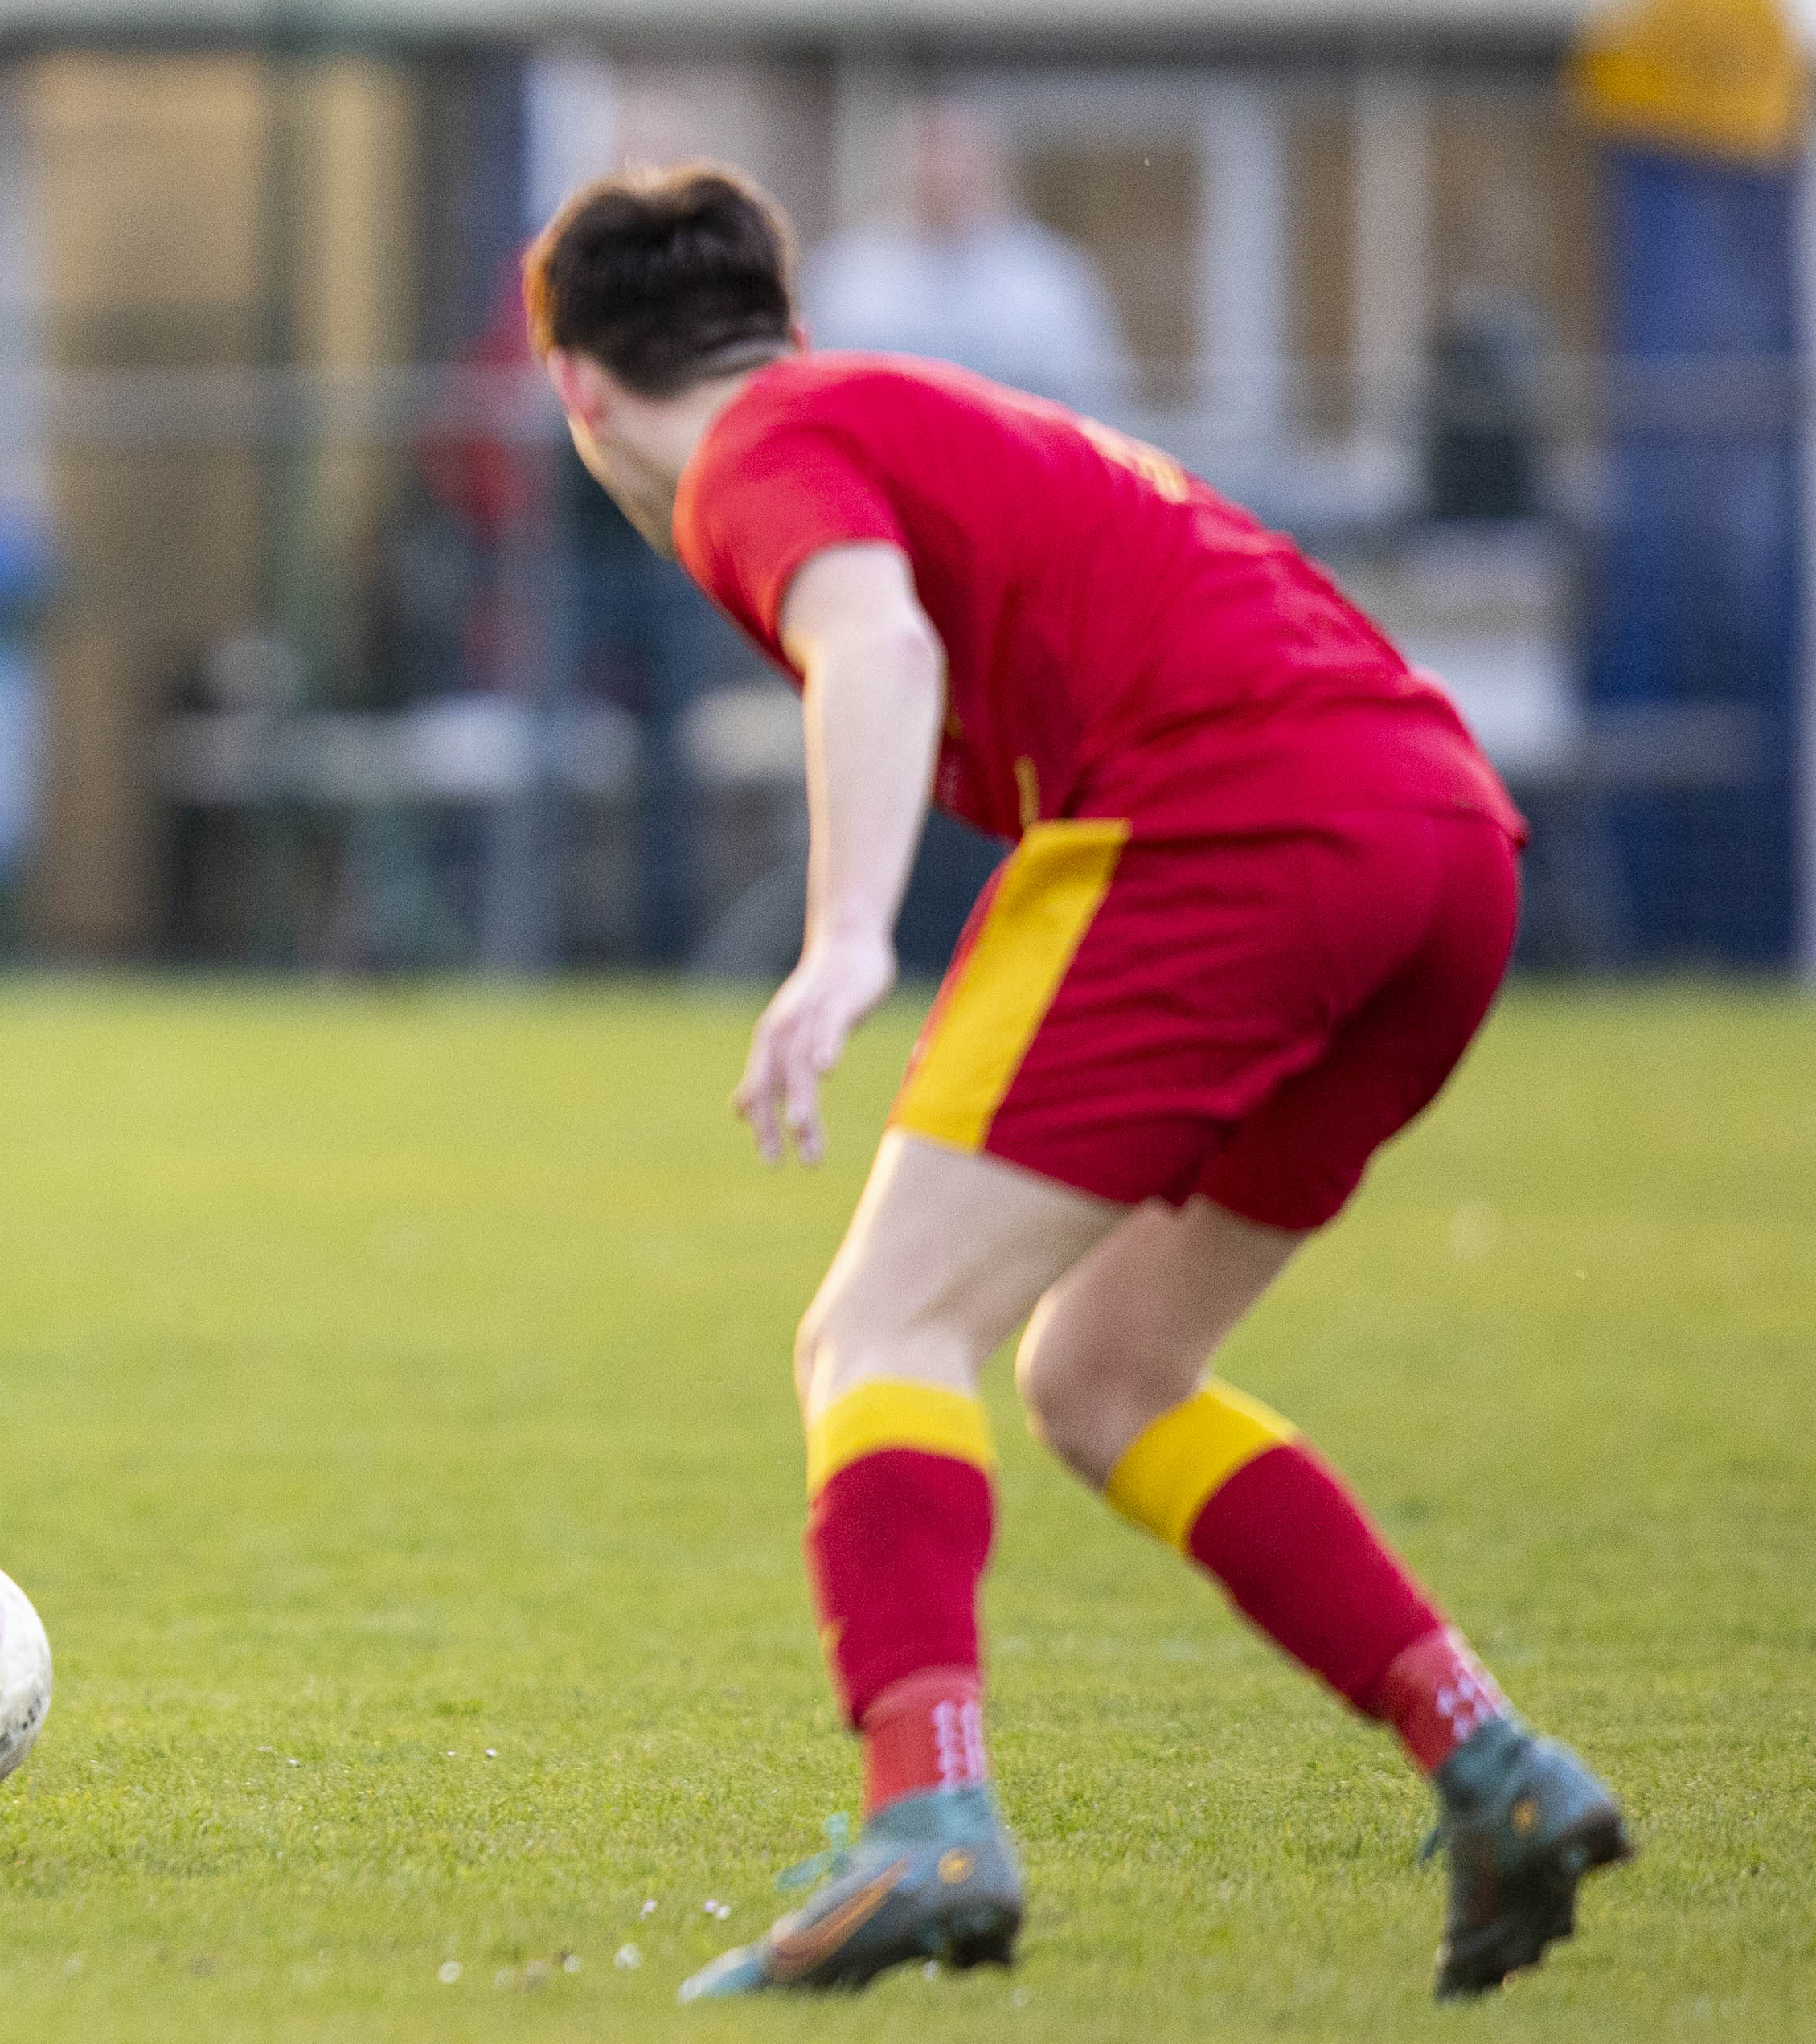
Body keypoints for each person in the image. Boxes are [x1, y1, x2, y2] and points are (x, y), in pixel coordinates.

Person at [523, 163, 1629, 1999]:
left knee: (876, 1329)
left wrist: (846, 933)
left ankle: (924, 1819)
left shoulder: (755, 450)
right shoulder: (884, 403)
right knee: (1109, 1375)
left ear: (576, 388)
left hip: (1230, 824)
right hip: (1442, 844)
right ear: (775, 317)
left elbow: (869, 635)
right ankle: (1492, 1759)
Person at [799, 100, 1133, 419]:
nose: (945, 178)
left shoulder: (1045, 279)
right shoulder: (847, 275)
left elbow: (1090, 398)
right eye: (928, 164)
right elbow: (813, 388)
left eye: (960, 163)